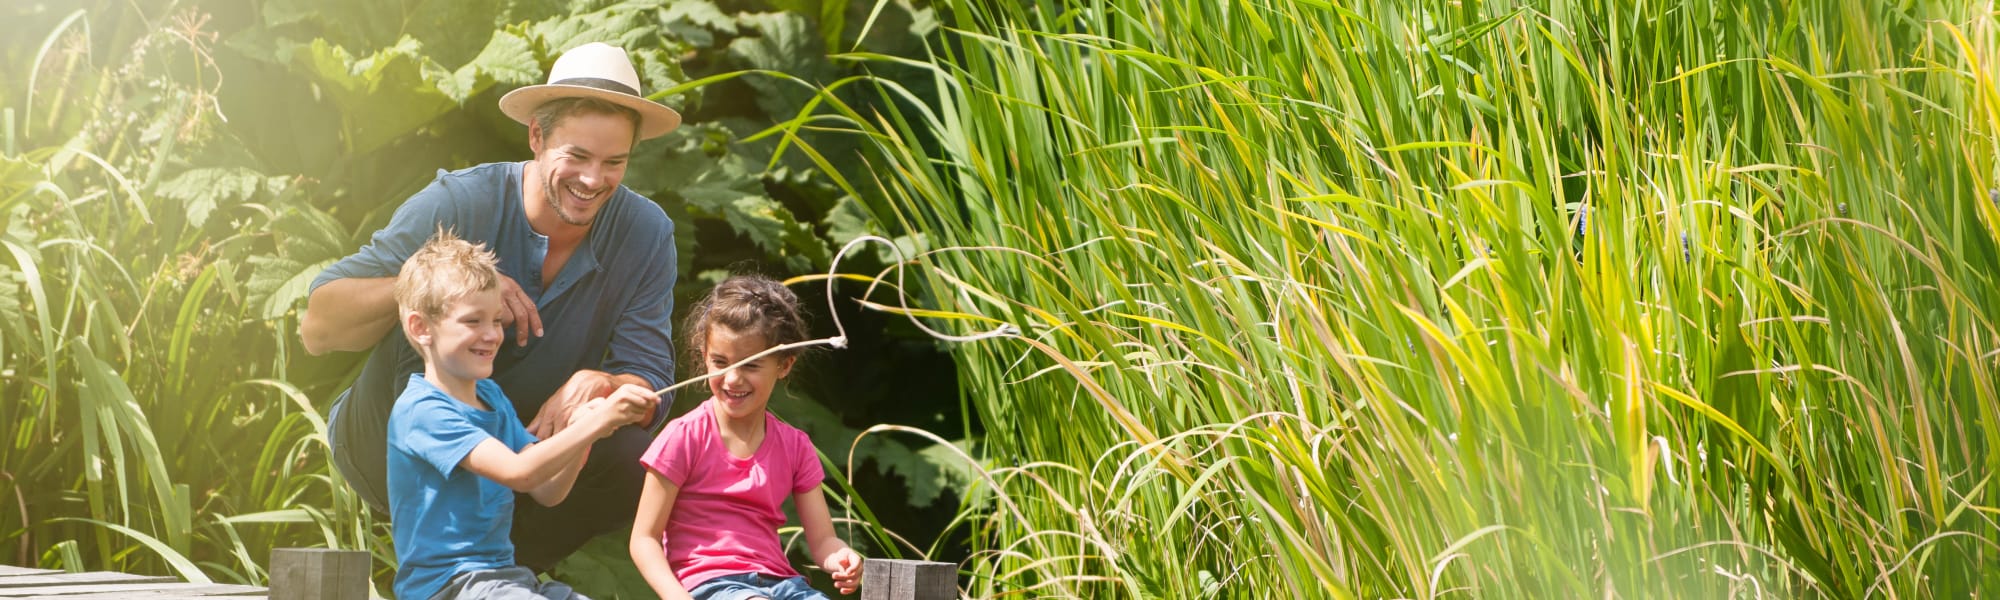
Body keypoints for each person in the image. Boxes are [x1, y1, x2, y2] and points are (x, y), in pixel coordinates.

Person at [299, 42, 682, 571]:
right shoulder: (459, 203)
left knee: (638, 457)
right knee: (437, 336)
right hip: (393, 444)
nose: (593, 181)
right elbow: (318, 328)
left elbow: (653, 383)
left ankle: (505, 572)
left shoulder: (647, 233)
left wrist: (604, 383)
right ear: (537, 137)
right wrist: (448, 284)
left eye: (613, 162)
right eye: (576, 156)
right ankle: (450, 567)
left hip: (527, 458)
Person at [384, 230, 655, 600]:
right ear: (420, 327)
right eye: (472, 321)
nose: (492, 335)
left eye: (496, 320)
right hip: (448, 588)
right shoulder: (423, 410)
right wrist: (598, 421)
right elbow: (519, 473)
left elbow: (547, 492)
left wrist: (583, 432)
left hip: (507, 578)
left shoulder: (490, 397)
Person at [629, 275, 865, 599]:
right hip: (710, 585)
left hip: (784, 585)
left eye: (750, 365)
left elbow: (823, 540)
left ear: (784, 365)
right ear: (704, 354)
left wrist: (840, 557)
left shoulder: (796, 446)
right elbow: (644, 539)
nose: (732, 378)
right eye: (720, 362)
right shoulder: (684, 436)